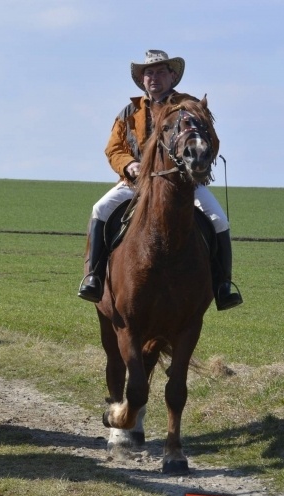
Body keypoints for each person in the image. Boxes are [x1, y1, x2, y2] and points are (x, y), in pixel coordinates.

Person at [77, 50, 243, 311]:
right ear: (142, 80)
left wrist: (196, 162)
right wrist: (129, 164)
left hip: (184, 184)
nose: (154, 77)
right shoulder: (129, 112)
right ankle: (94, 278)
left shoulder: (189, 106)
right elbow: (114, 148)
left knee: (219, 220)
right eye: (149, 73)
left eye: (160, 72)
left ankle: (224, 286)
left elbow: (210, 138)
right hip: (136, 184)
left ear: (173, 76)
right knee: (100, 210)